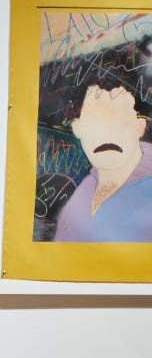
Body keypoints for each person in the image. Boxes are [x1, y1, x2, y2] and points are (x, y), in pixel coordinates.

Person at [53, 83, 152, 242]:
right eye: (95, 121)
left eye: (120, 121)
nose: (107, 134)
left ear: (140, 126)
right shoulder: (80, 198)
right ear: (77, 129)